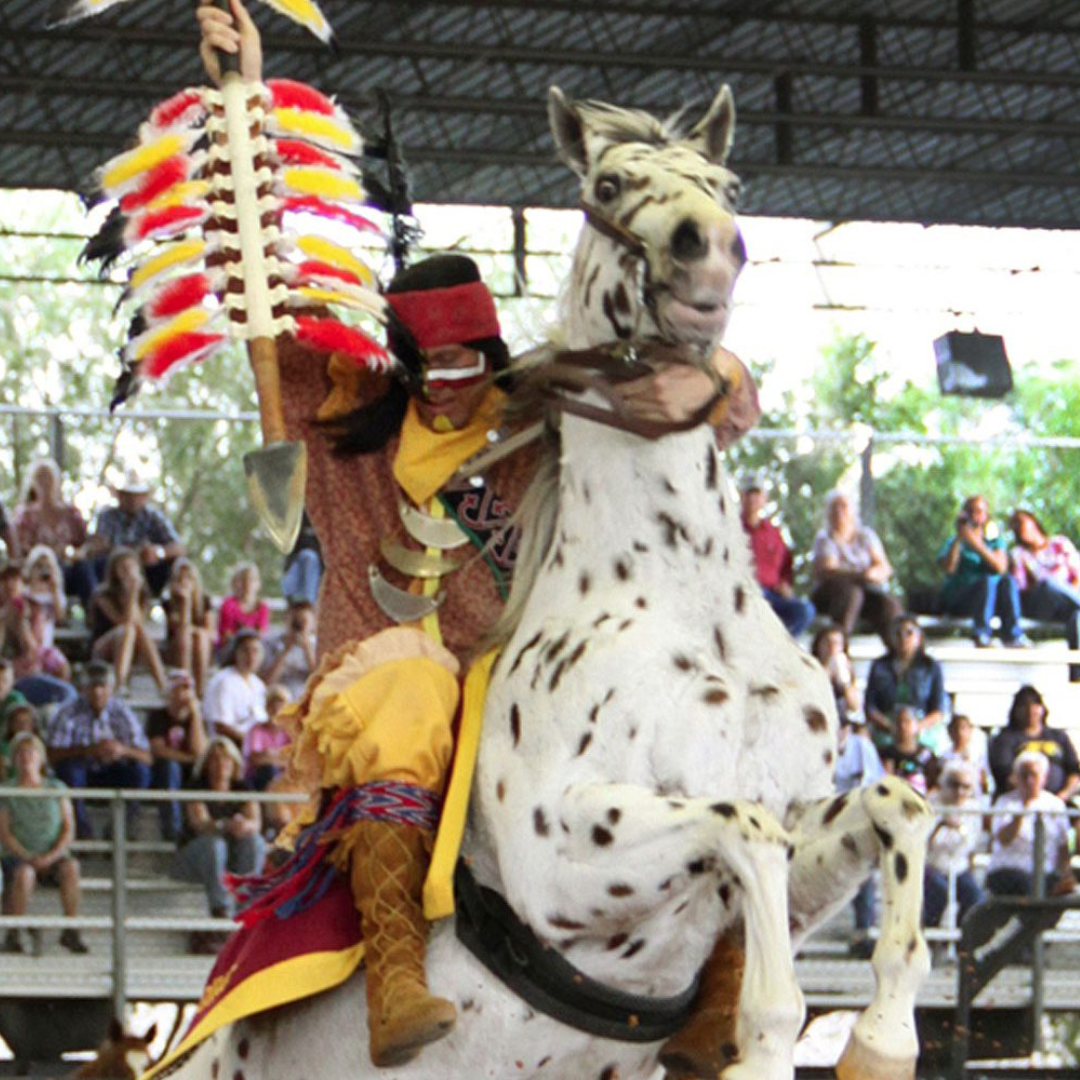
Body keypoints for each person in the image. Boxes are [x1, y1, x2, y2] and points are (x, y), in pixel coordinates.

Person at [198, 4, 761, 1065]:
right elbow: (257, 287)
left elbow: (713, 398)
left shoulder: (538, 416)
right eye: (436, 366)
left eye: (472, 361)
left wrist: (717, 362)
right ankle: (396, 977)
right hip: (379, 679)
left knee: (696, 716)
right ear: (406, 361)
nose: (456, 383)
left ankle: (724, 983)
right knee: (411, 685)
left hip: (516, 679)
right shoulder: (341, 425)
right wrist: (245, 109)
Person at [171, 736, 265, 953]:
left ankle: (244, 909)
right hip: (194, 859)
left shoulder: (243, 789)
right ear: (206, 764)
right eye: (214, 760)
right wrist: (225, 825)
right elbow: (200, 823)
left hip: (232, 858)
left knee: (255, 842)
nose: (220, 766)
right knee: (214, 844)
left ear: (234, 765)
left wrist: (244, 826)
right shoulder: (196, 787)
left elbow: (256, 823)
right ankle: (220, 913)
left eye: (226, 760)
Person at [0, 731, 87, 955]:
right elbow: (5, 833)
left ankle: (71, 929)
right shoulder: (7, 791)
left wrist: (51, 855)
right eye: (20, 754)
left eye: (31, 753)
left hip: (53, 854)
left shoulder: (56, 788)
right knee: (24, 873)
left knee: (71, 868)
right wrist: (26, 855)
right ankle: (14, 933)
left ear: (41, 758)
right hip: (19, 856)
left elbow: (68, 828)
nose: (26, 758)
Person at [45, 661, 151, 839]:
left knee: (141, 772)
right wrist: (87, 750)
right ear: (83, 688)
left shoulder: (123, 712)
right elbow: (51, 754)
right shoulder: (67, 712)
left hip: (113, 772)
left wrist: (122, 750)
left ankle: (119, 829)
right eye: (92, 686)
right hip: (82, 774)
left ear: (111, 688)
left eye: (102, 686)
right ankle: (82, 830)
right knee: (69, 770)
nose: (97, 692)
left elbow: (147, 757)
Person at [810, 490, 901, 644]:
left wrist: (873, 574)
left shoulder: (866, 535)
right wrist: (863, 575)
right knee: (852, 593)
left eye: (843, 506)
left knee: (888, 604)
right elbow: (829, 570)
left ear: (853, 511)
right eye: (834, 507)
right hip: (831, 594)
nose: (839, 511)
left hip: (867, 592)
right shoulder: (825, 538)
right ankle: (839, 650)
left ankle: (897, 655)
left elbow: (884, 568)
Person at [938, 494, 1027, 648]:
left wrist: (975, 543)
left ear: (986, 516)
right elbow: (949, 568)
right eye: (970, 511)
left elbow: (1000, 567)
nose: (974, 515)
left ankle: (1013, 635)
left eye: (979, 511)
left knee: (1007, 581)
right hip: (960, 599)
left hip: (990, 599)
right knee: (986, 582)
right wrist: (961, 537)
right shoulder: (953, 541)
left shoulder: (995, 542)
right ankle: (981, 634)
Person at [987, 751, 1075, 897]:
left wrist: (1064, 873)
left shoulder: (1055, 804)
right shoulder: (1005, 802)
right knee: (1031, 888)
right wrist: (1022, 812)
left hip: (1045, 871)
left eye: (1033, 775)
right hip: (1009, 869)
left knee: (1063, 889)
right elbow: (1003, 839)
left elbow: (1063, 846)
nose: (1029, 781)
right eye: (1024, 775)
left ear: (1044, 777)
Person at [833, 712, 885, 958]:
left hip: (857, 818)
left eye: (844, 727)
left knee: (863, 873)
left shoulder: (862, 747)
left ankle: (863, 931)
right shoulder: (821, 747)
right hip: (828, 821)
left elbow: (872, 782)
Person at [86, 469, 185, 598]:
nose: (132, 499)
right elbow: (98, 544)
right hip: (113, 568)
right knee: (94, 565)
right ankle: (100, 602)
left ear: (144, 497)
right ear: (120, 496)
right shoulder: (107, 516)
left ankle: (153, 601)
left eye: (137, 495)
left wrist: (159, 552)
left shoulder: (153, 517)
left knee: (167, 566)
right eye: (127, 495)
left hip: (146, 569)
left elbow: (178, 547)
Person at [739, 474, 815, 637]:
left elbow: (785, 567)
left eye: (757, 493)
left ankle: (783, 646)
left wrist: (784, 585)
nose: (752, 498)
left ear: (764, 498)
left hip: (772, 595)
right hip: (745, 593)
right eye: (748, 493)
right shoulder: (732, 527)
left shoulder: (773, 533)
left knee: (804, 611)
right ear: (741, 496)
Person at [1009, 509, 1080, 680]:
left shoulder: (1060, 543)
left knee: (1077, 617)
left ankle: (1077, 676)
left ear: (1033, 520)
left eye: (1021, 522)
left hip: (1066, 602)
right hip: (1041, 605)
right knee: (1047, 584)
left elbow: (1077, 575)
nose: (1019, 528)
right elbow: (1021, 590)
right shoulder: (1018, 554)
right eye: (1015, 526)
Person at [12, 459, 93, 608]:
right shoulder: (25, 514)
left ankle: (92, 611)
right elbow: (19, 546)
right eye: (40, 477)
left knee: (83, 567)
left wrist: (75, 553)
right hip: (38, 571)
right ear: (33, 482)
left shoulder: (70, 513)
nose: (45, 482)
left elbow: (84, 543)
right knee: (48, 567)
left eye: (49, 477)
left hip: (67, 569)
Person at [863, 614, 948, 753]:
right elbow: (870, 707)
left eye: (909, 633)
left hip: (922, 725)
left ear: (919, 637)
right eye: (898, 634)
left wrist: (915, 727)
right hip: (887, 725)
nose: (903, 638)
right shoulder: (879, 666)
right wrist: (893, 727)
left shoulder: (931, 666)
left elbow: (938, 710)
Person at [88, 546, 168, 693]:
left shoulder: (142, 595)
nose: (128, 571)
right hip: (104, 645)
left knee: (138, 631)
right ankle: (120, 683)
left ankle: (162, 683)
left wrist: (135, 592)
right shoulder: (102, 595)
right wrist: (131, 594)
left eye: (131, 566)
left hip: (131, 642)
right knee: (127, 631)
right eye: (123, 567)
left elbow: (137, 623)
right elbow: (123, 621)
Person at [988, 685, 1080, 802]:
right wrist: (1035, 798)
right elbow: (1005, 776)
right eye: (1024, 706)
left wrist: (1062, 796)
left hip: (1059, 802)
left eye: (1035, 705)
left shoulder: (1059, 736)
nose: (1030, 710)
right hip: (1019, 802)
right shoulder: (1005, 738)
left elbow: (1074, 772)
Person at [148, 670, 208, 841]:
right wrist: (188, 759)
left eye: (189, 688)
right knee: (169, 767)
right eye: (182, 688)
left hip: (190, 773)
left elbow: (200, 752)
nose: (186, 693)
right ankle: (172, 829)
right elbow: (159, 750)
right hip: (164, 772)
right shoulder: (158, 716)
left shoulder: (196, 718)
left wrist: (195, 714)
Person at [924, 760, 984, 928]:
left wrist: (960, 828)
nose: (959, 791)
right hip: (932, 865)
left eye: (965, 787)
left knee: (974, 897)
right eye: (954, 785)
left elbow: (970, 843)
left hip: (958, 866)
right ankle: (930, 934)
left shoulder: (973, 808)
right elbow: (924, 844)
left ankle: (962, 939)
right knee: (939, 891)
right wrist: (940, 825)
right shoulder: (931, 805)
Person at [202, 628, 267, 746]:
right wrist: (251, 744)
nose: (251, 656)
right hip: (227, 745)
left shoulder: (258, 684)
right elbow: (221, 726)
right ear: (235, 653)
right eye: (246, 650)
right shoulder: (224, 681)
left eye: (255, 651)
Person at [163, 558, 213, 696]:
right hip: (176, 648)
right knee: (185, 634)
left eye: (188, 578)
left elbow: (210, 633)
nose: (184, 582)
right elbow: (179, 628)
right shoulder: (168, 604)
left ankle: (199, 689)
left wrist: (195, 631)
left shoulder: (205, 601)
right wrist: (186, 602)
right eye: (179, 578)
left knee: (200, 636)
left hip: (200, 647)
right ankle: (184, 683)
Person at [259, 599, 316, 700]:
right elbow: (265, 682)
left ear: (312, 624)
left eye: (303, 622)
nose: (299, 627)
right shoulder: (269, 643)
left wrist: (307, 650)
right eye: (295, 622)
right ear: (285, 619)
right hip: (275, 700)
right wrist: (286, 650)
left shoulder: (317, 646)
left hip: (304, 700)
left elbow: (320, 681)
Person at [242, 683, 292, 791]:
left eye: (280, 706)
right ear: (266, 708)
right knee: (268, 770)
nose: (276, 710)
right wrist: (281, 758)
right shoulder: (256, 730)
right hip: (259, 779)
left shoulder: (290, 733)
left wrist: (269, 755)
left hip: (284, 779)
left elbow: (294, 760)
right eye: (272, 706)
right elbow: (255, 758)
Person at [215, 561, 270, 658]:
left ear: (258, 584)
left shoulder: (262, 607)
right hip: (231, 651)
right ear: (235, 583)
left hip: (253, 650)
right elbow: (226, 636)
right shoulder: (228, 604)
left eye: (251, 580)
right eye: (242, 580)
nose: (247, 583)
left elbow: (260, 635)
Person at [810, 623, 862, 726]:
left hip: (843, 724)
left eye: (836, 643)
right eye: (827, 642)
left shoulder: (846, 669)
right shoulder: (811, 669)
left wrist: (844, 678)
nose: (832, 647)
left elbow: (854, 706)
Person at [880, 706, 939, 795]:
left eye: (907, 721)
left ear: (916, 724)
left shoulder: (926, 753)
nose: (902, 726)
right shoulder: (885, 754)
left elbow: (934, 784)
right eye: (899, 722)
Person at [938, 713, 991, 796]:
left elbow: (985, 782)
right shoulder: (944, 757)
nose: (960, 733)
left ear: (970, 730)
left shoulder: (977, 755)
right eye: (955, 729)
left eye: (963, 728)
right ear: (949, 732)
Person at [281, 511, 323, 606]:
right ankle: (293, 599)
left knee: (309, 557)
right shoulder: (297, 519)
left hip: (315, 565)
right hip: (297, 560)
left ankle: (309, 602)